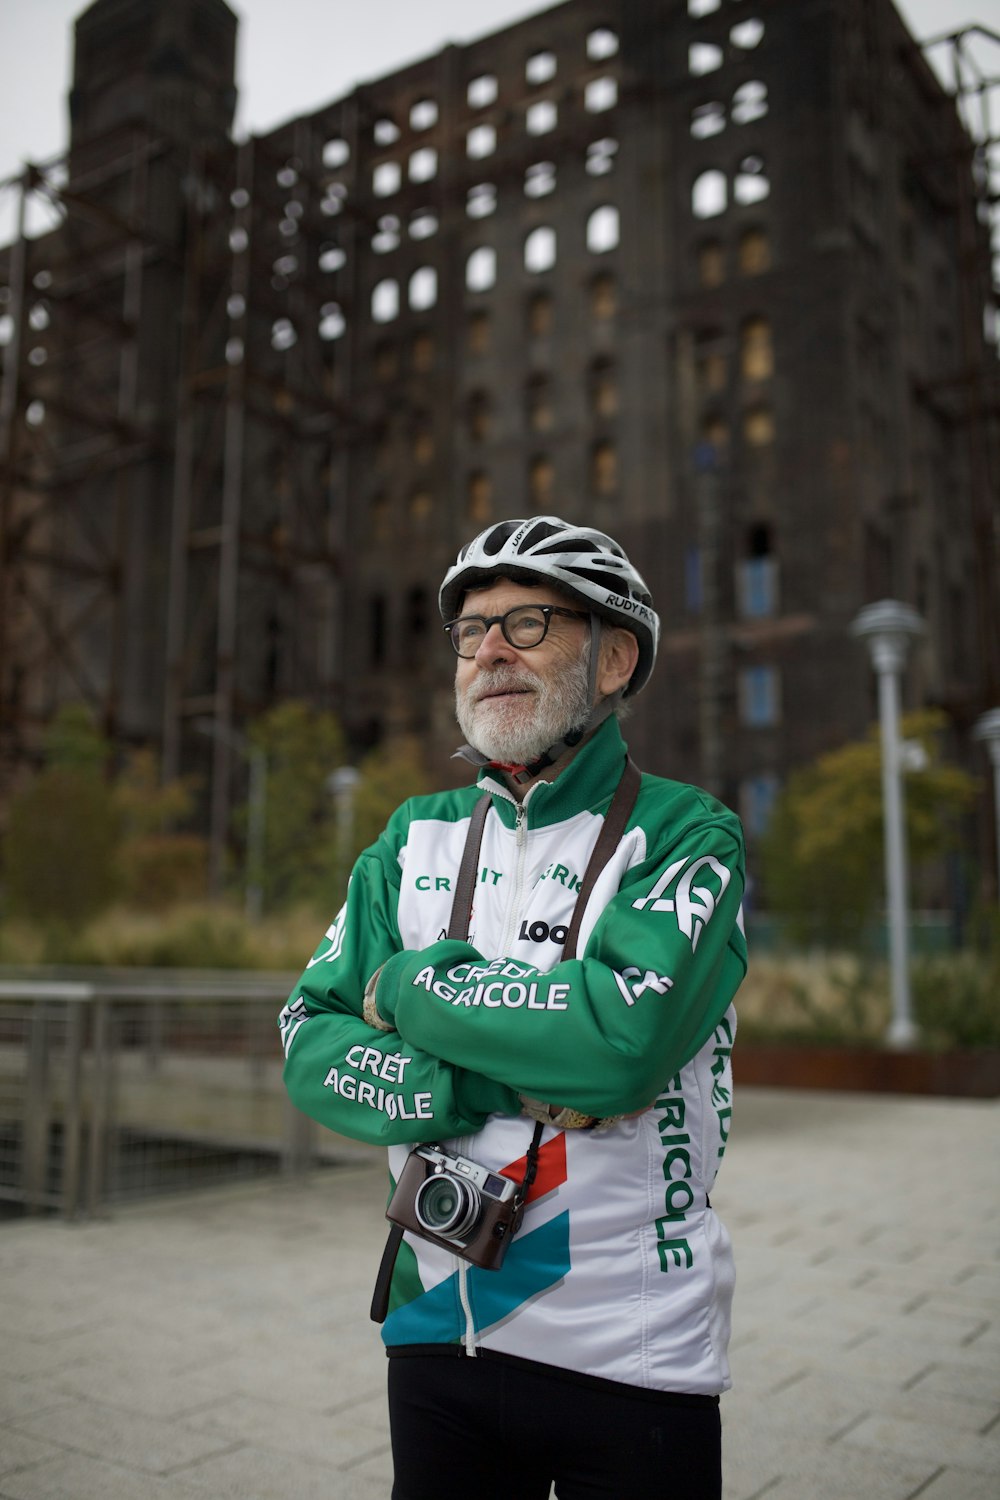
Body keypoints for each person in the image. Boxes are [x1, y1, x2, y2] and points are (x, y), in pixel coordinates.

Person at [279, 515, 747, 1500]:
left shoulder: (683, 834)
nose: (487, 649)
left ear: (615, 658)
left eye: (528, 623)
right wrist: (490, 1078)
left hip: (633, 1348)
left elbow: (619, 1044)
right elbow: (308, 1039)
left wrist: (408, 988)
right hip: (434, 1330)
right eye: (470, 631)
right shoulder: (411, 838)